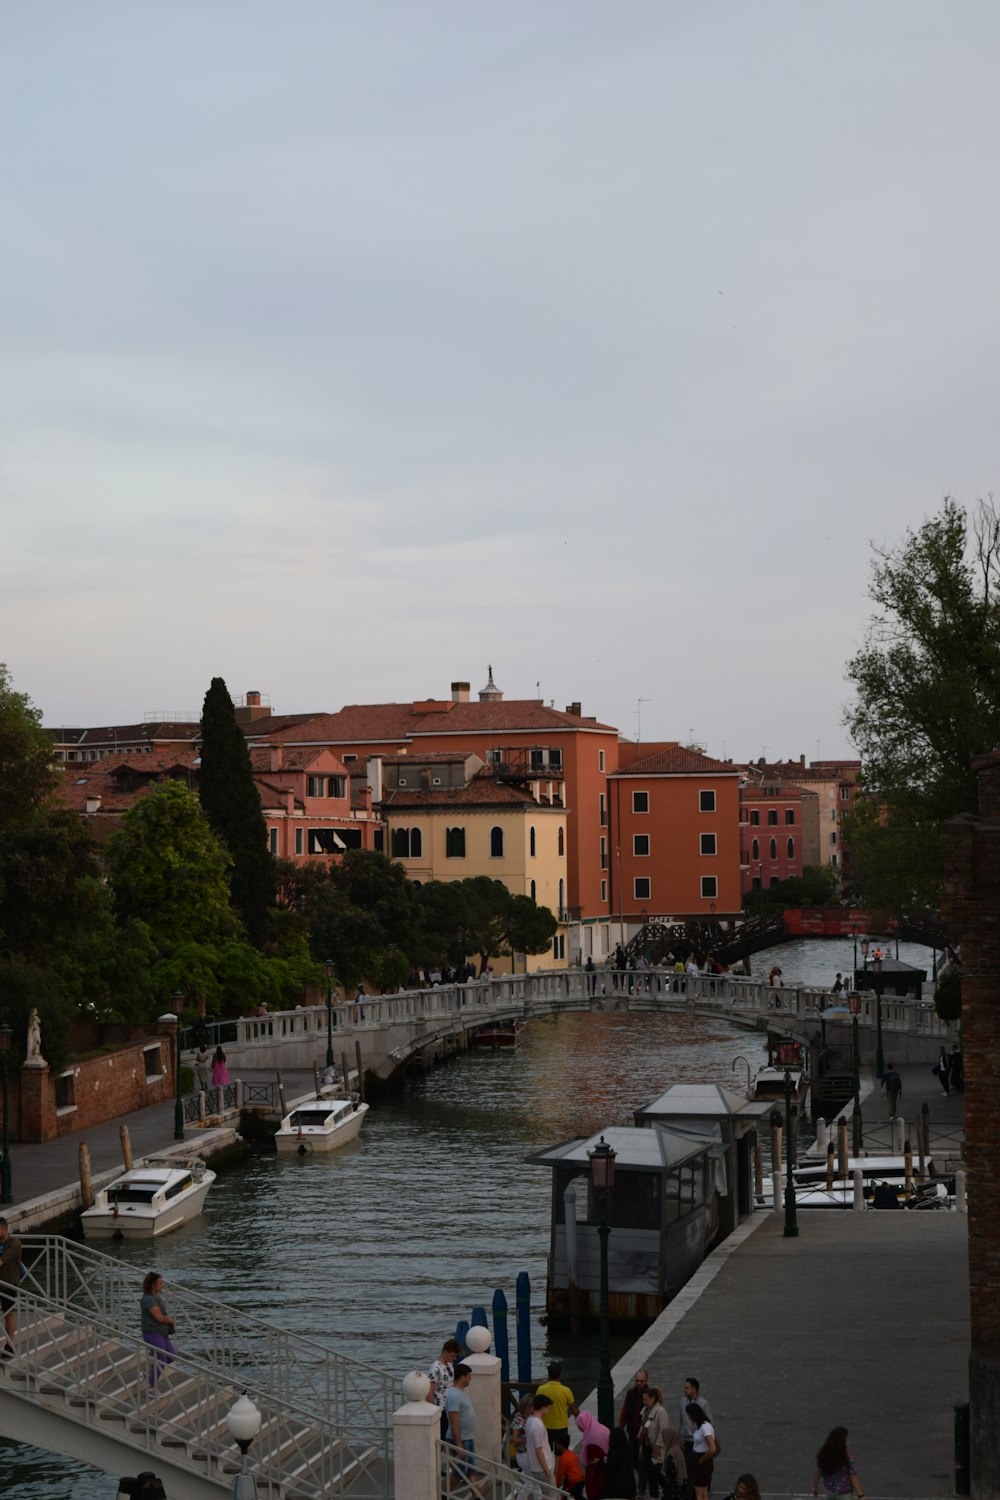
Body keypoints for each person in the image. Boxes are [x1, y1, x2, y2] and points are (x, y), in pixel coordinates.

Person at [639, 1386, 677, 1499]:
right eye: (643, 1400)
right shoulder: (645, 1410)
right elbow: (643, 1426)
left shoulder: (661, 1411)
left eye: (646, 1399)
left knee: (655, 1472)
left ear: (653, 1399)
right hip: (646, 1446)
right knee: (650, 1475)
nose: (644, 1402)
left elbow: (663, 1430)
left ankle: (669, 1489)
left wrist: (658, 1447)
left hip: (657, 1448)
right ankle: (654, 1496)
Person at [140, 1271, 176, 1387]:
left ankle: (148, 1372)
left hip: (162, 1332)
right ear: (153, 1285)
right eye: (160, 1283)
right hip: (152, 1332)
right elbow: (159, 1317)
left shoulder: (157, 1297)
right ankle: (151, 1387)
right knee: (161, 1359)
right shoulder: (149, 1299)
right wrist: (170, 1320)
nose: (162, 1285)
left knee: (170, 1355)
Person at [518, 1393, 556, 1500]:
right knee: (551, 1494)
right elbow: (538, 1450)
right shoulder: (538, 1425)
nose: (549, 1411)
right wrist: (547, 1470)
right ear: (543, 1407)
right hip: (542, 1467)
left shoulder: (530, 1421)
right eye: (548, 1408)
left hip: (535, 1466)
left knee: (544, 1494)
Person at [618, 1370, 649, 1495]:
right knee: (632, 1459)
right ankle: (638, 1481)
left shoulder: (649, 1395)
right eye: (637, 1381)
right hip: (632, 1432)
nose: (639, 1383)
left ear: (646, 1381)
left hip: (644, 1434)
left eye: (641, 1381)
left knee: (642, 1460)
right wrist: (620, 1428)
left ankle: (642, 1485)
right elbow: (625, 1410)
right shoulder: (630, 1394)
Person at [445, 1362, 477, 1486]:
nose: (471, 1379)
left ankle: (476, 1496)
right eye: (469, 1376)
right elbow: (453, 1421)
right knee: (459, 1473)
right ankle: (444, 1496)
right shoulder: (454, 1395)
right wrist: (459, 1444)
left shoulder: (461, 1392)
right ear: (463, 1377)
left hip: (468, 1438)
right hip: (460, 1441)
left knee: (472, 1470)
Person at [813, 1425, 864, 1498]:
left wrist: (815, 1487)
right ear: (842, 1441)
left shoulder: (824, 1454)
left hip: (830, 1492)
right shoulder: (847, 1457)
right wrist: (861, 1495)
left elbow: (818, 1471)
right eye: (846, 1438)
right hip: (844, 1494)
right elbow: (852, 1477)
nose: (847, 1440)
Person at [536, 1361, 578, 1445]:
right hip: (561, 1427)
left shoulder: (541, 1389)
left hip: (545, 1426)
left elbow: (536, 1407)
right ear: (560, 1375)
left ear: (549, 1374)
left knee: (546, 1451)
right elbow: (575, 1410)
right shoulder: (566, 1390)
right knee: (560, 1453)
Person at [428, 1336, 461, 1438]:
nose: (454, 1359)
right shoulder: (435, 1369)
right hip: (440, 1409)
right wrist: (434, 1413)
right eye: (452, 1356)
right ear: (445, 1352)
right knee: (442, 1435)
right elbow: (429, 1393)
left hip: (449, 1406)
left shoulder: (449, 1365)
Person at [0, 1216, 23, 1360]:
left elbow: (1, 1261)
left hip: (9, 1284)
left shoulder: (14, 1244)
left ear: (3, 1229)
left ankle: (9, 1346)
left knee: (8, 1314)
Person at [685, 1403, 717, 1500]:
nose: (689, 1418)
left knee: (699, 1494)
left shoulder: (704, 1427)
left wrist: (700, 1461)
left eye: (689, 1415)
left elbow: (712, 1448)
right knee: (703, 1494)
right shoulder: (706, 1425)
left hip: (702, 1462)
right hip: (703, 1462)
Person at [679, 1378, 712, 1468]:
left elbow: (709, 1423)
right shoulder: (682, 1401)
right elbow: (681, 1420)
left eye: (686, 1388)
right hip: (685, 1440)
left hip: (697, 1441)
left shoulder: (703, 1403)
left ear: (694, 1389)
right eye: (684, 1388)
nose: (684, 1390)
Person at [604, 1427, 638, 1500]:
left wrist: (602, 1463)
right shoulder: (628, 1451)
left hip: (616, 1488)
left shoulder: (613, 1453)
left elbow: (610, 1470)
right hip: (629, 1487)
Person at [511, 1391, 535, 1470]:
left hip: (530, 1452)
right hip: (523, 1453)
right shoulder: (518, 1420)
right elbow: (515, 1438)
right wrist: (528, 1440)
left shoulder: (530, 1417)